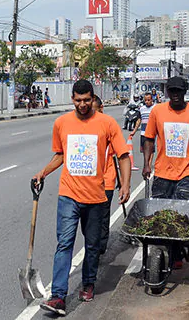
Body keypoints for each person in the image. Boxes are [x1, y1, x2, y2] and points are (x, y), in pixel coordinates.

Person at [33, 79, 132, 316]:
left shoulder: (107, 123)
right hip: (68, 194)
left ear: (93, 97)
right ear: (72, 99)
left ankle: (88, 283)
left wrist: (125, 185)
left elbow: (123, 156)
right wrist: (43, 172)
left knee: (92, 244)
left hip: (96, 197)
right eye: (78, 100)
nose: (83, 104)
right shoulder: (61, 123)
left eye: (87, 100)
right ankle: (58, 297)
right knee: (64, 243)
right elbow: (61, 155)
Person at [142, 76, 189, 200]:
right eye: (172, 91)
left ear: (185, 91)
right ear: (167, 92)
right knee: (159, 213)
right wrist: (146, 164)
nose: (175, 94)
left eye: (179, 91)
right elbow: (149, 139)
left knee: (181, 213)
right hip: (162, 173)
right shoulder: (157, 111)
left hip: (186, 173)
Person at [91, 95, 117, 255]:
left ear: (101, 109)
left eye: (94, 111)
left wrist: (125, 184)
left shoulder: (109, 126)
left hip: (106, 180)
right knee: (90, 219)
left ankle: (100, 248)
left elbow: (119, 155)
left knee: (103, 216)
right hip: (89, 183)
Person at [130, 92, 156, 164]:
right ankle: (146, 163)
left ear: (152, 100)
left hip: (151, 133)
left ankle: (149, 164)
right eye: (146, 100)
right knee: (144, 150)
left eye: (148, 100)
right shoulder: (142, 109)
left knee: (151, 150)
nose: (147, 102)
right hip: (143, 133)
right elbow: (139, 120)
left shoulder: (155, 108)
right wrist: (134, 131)